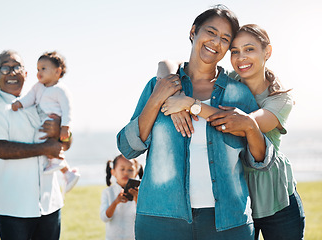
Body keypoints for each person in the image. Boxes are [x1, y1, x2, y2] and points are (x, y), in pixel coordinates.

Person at [117, 6, 275, 240]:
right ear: (193, 32)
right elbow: (127, 147)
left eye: (225, 38)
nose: (215, 42)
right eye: (210, 32)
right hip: (160, 221)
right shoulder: (158, 84)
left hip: (228, 223)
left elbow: (261, 160)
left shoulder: (238, 94)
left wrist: (251, 127)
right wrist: (160, 97)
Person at [207, 24, 305, 240]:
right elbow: (184, 69)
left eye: (249, 49)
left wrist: (190, 104)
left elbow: (244, 124)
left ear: (266, 52)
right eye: (234, 51)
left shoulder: (280, 98)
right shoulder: (227, 83)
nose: (241, 57)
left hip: (278, 200)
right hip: (237, 201)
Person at [0, 50, 70, 240]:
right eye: (4, 68)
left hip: (50, 203)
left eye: (17, 67)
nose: (12, 72)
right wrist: (46, 148)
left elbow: (66, 143)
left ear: (26, 74)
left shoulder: (42, 102)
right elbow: (1, 149)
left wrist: (62, 133)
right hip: (13, 207)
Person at [11, 51, 79, 193]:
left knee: (45, 142)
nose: (39, 72)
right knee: (44, 143)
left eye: (43, 68)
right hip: (42, 121)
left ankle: (59, 165)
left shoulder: (60, 90)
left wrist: (65, 126)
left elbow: (68, 109)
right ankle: (66, 171)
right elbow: (29, 98)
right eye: (37, 69)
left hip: (54, 122)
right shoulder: (38, 87)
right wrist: (20, 104)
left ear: (57, 71)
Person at [100, 154, 143, 240]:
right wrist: (115, 202)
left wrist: (137, 199)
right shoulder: (108, 192)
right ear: (113, 172)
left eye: (130, 170)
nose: (126, 172)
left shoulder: (140, 193)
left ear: (136, 173)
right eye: (122, 169)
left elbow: (143, 218)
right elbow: (104, 218)